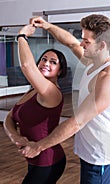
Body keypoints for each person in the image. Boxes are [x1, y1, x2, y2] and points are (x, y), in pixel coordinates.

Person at [18, 14, 110, 184]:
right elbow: (70, 42)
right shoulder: (92, 62)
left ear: (102, 45)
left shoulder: (107, 76)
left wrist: (38, 146)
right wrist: (47, 26)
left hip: (100, 157)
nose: (81, 44)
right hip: (91, 153)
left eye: (86, 42)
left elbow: (77, 122)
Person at [3, 24, 68, 184]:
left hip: (48, 161)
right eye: (44, 59)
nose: (46, 63)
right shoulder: (32, 91)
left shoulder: (52, 92)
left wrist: (22, 36)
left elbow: (26, 66)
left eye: (53, 62)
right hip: (33, 159)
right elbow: (9, 118)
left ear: (60, 71)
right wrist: (15, 137)